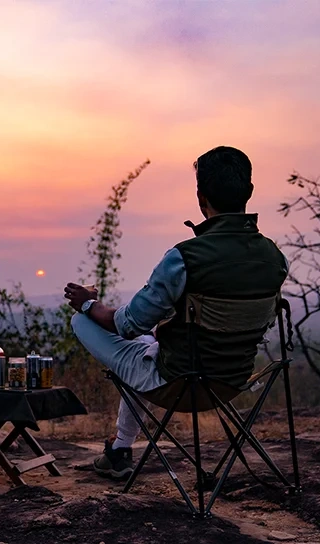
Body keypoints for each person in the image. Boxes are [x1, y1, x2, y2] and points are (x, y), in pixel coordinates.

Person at [64, 146, 288, 480]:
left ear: (201, 198)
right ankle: (120, 449)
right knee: (148, 344)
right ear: (249, 193)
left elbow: (125, 324)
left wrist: (87, 303)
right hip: (232, 381)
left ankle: (121, 447)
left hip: (178, 383)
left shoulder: (184, 258)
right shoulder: (275, 259)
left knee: (84, 322)